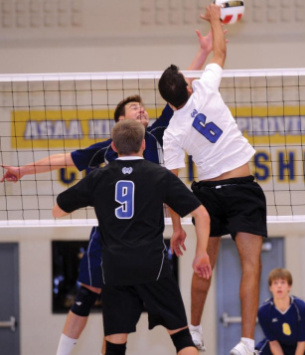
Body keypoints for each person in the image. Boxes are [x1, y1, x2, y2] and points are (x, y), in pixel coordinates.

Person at [1, 31, 213, 355]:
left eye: (143, 108)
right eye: (134, 108)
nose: (142, 111)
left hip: (144, 236)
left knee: (116, 323)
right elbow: (61, 159)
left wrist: (202, 54)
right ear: (119, 123)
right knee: (90, 297)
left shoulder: (155, 135)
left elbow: (177, 91)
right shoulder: (104, 151)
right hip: (111, 235)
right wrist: (22, 169)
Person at [158, 4, 267, 355]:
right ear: (187, 88)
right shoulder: (205, 88)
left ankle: (193, 329)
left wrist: (175, 226)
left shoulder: (172, 132)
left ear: (169, 101)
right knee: (251, 265)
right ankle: (247, 343)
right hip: (240, 187)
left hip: (204, 194)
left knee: (204, 261)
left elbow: (170, 187)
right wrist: (216, 21)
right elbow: (220, 51)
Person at [52, 119, 212, 355]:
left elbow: (58, 210)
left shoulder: (99, 177)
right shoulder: (159, 175)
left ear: (114, 148)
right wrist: (201, 253)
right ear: (144, 144)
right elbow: (202, 214)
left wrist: (97, 199)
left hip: (115, 267)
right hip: (153, 265)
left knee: (115, 344)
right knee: (182, 339)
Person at [255, 268, 305, 355]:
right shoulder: (264, 311)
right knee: (258, 350)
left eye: (282, 282)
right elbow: (273, 342)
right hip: (277, 344)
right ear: (270, 287)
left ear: (289, 286)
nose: (279, 286)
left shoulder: (301, 307)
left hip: (300, 345)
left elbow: (302, 342)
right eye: (275, 283)